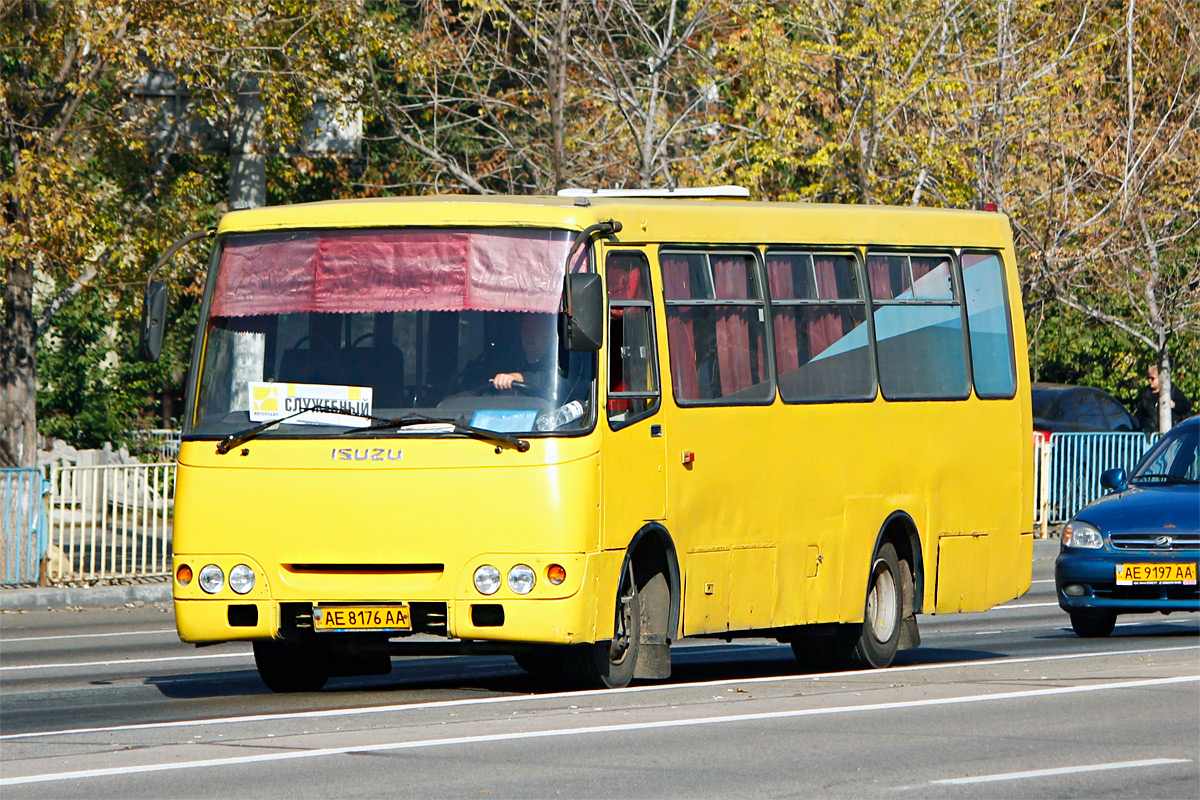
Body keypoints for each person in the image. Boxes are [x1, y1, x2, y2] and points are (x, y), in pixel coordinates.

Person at [490, 313, 557, 394]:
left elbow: (546, 380)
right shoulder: (509, 360)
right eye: (525, 328)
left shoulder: (555, 363)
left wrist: (516, 377)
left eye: (534, 329)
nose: (528, 334)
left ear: (550, 335)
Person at [1136, 365, 1192, 433]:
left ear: (1160, 378)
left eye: (1152, 378)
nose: (1150, 380)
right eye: (1149, 378)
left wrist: (1175, 405)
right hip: (1150, 432)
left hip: (1170, 432)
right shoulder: (1146, 393)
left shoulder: (1172, 391)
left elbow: (1186, 406)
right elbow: (1140, 414)